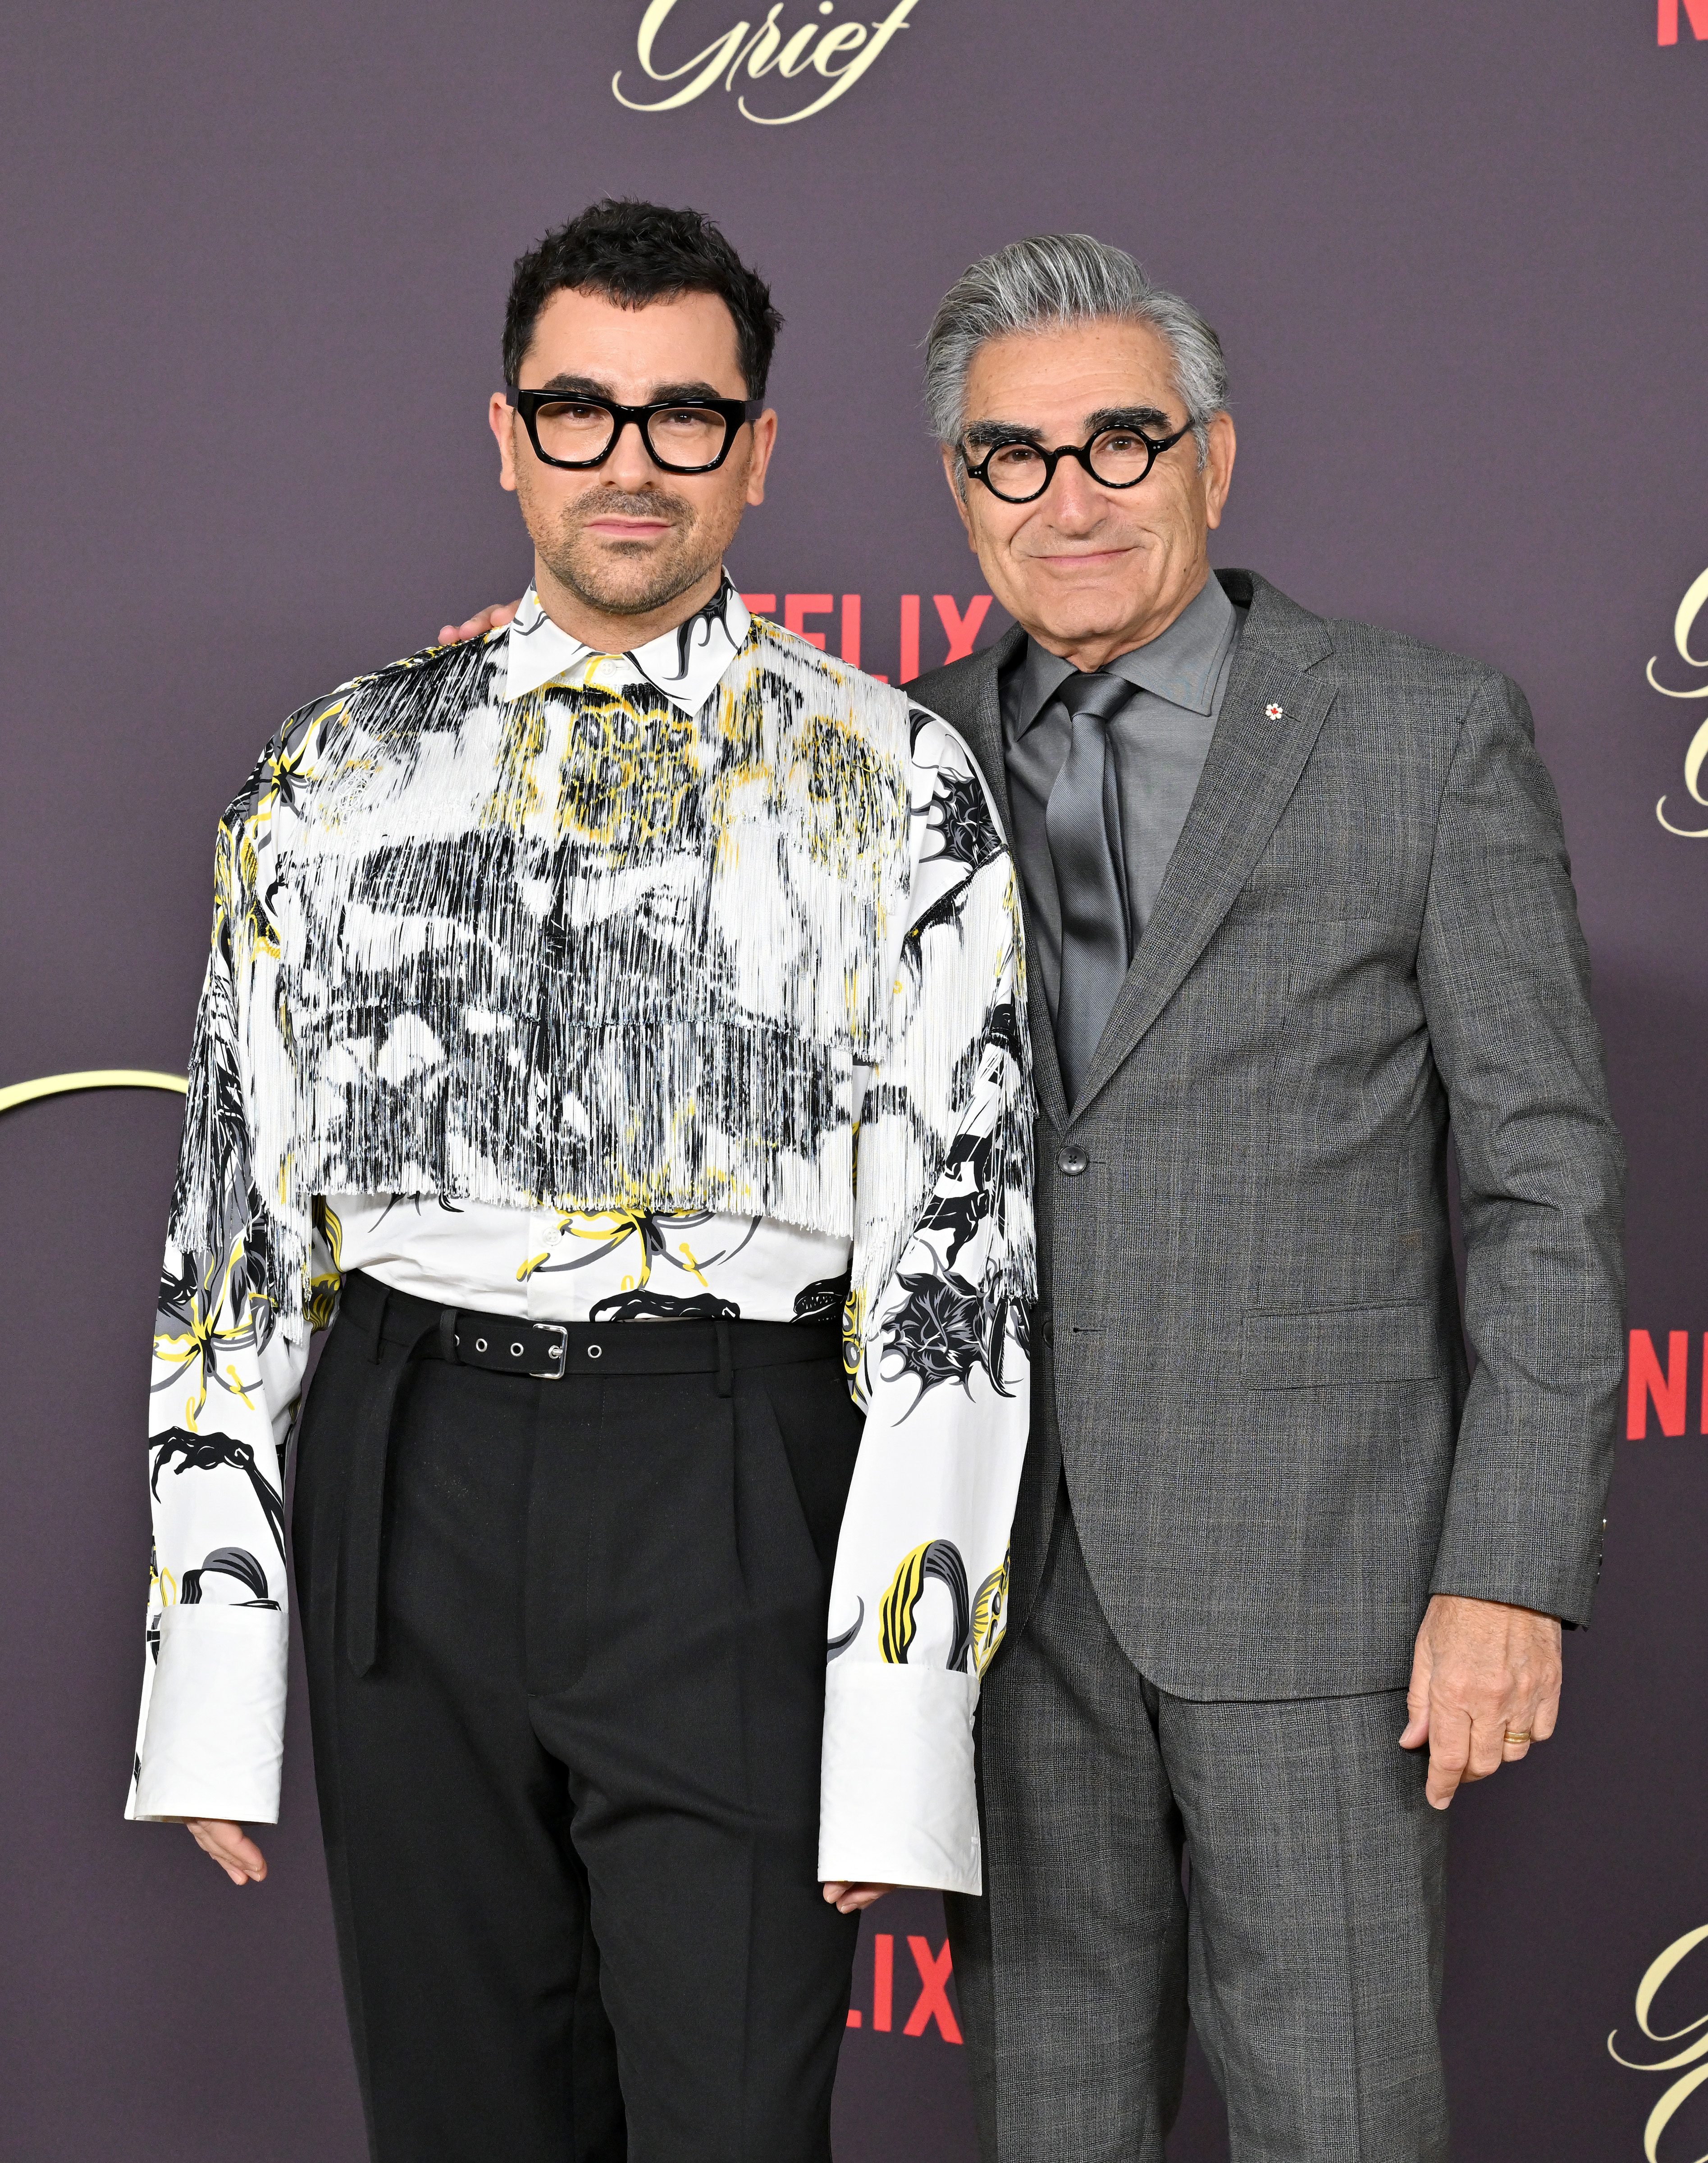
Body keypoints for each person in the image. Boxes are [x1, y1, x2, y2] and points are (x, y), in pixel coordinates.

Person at [128, 198, 1033, 2163]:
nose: (630, 459)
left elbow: (961, 1270)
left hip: (733, 1474)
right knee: (463, 2120)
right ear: (506, 433)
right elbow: (236, 1239)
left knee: (729, 2121)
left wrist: (897, 1733)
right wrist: (213, 1667)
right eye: (581, 409)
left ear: (760, 451)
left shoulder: (896, 782)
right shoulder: (335, 772)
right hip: (411, 1463)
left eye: (685, 415)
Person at [907, 235, 1626, 2162]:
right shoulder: (887, 758)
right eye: (1012, 458)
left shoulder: (1419, 734)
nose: (1068, 498)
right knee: (1053, 2126)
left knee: (1345, 2126)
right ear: (960, 494)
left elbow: (1545, 1186)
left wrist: (1509, 1567)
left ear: (1216, 459)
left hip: (1329, 1597)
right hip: (990, 1601)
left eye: (1120, 443)